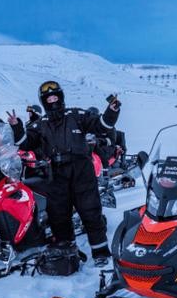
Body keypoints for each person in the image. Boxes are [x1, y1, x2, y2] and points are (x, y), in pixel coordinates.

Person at [8, 81, 121, 273]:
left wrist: (111, 111)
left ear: (61, 98)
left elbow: (101, 125)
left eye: (55, 98)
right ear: (44, 102)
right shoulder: (40, 124)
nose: (52, 102)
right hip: (56, 172)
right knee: (58, 215)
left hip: (81, 169)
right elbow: (25, 143)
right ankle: (66, 252)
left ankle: (101, 253)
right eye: (48, 99)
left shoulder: (76, 115)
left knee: (90, 211)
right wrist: (17, 126)